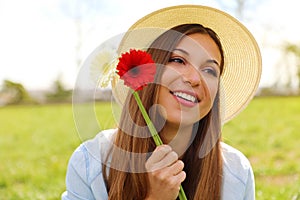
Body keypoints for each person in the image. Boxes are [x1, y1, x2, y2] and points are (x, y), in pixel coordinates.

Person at [62, 5, 261, 200]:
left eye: (209, 70)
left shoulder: (237, 173)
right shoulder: (90, 163)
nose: (194, 78)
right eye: (178, 60)